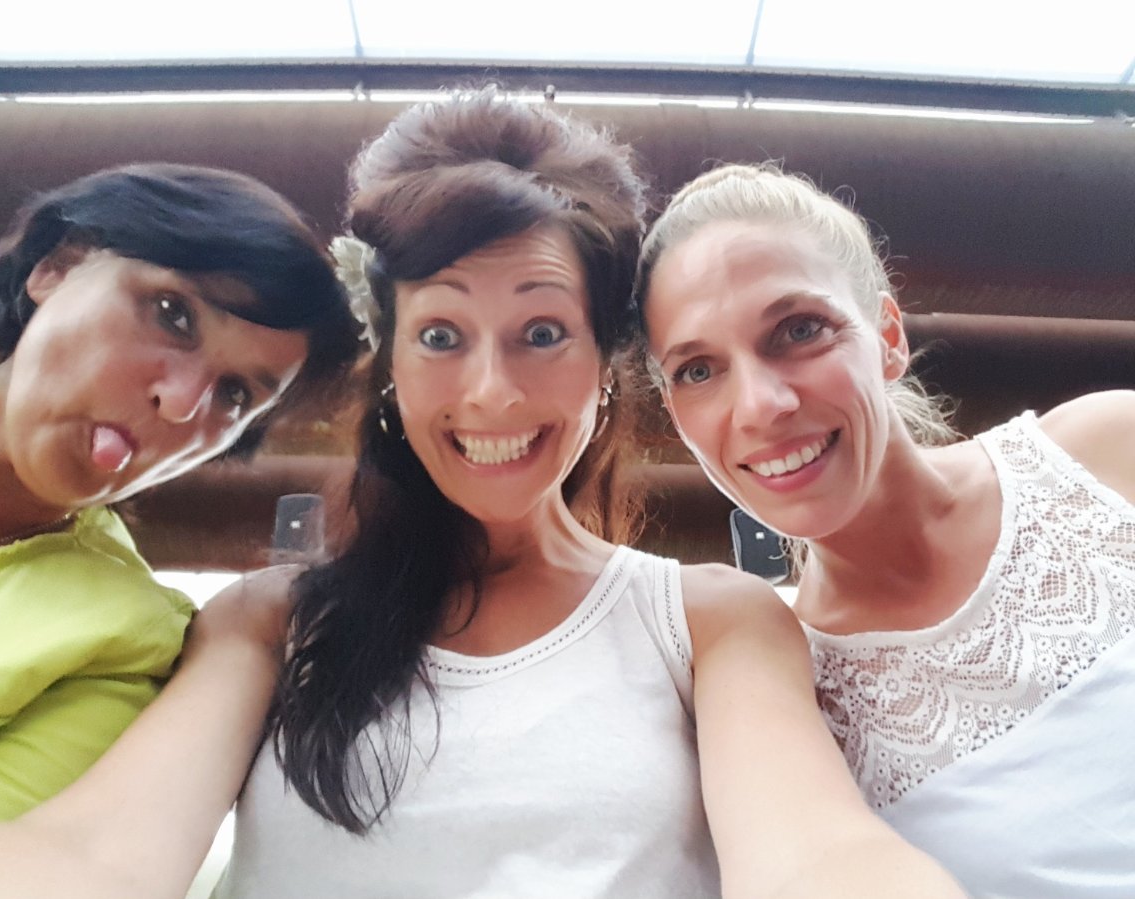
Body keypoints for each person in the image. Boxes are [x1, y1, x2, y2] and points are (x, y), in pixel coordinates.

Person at [215, 91, 965, 898]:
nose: (493, 392)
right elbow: (119, 845)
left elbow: (819, 852)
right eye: (440, 335)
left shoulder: (712, 623)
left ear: (603, 365)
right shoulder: (268, 623)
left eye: (542, 333)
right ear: (390, 360)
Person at [636, 161, 1135, 897]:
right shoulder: (778, 697)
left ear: (888, 336)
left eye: (798, 331)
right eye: (698, 370)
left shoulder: (1107, 452)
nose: (761, 406)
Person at [0, 162, 358, 837]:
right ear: (57, 266)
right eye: (173, 314)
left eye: (234, 395)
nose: (181, 403)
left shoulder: (116, 644)